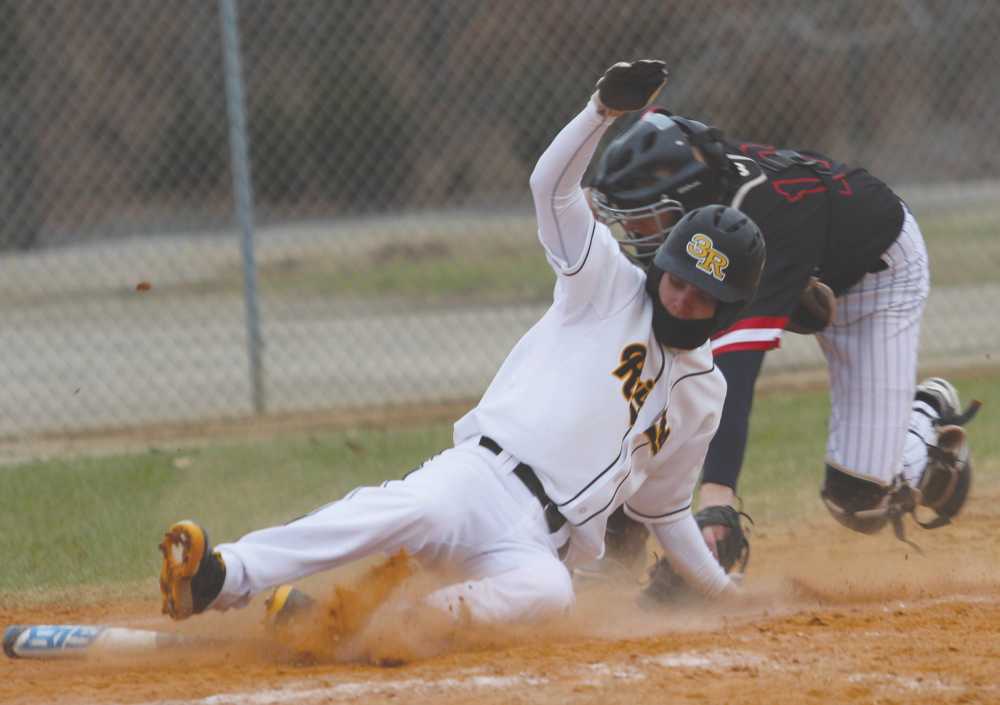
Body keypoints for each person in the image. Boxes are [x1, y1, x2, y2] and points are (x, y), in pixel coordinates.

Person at [157, 60, 768, 626]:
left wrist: (722, 594)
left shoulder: (703, 394)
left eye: (703, 294)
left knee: (551, 594)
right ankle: (223, 576)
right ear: (663, 264)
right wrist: (601, 112)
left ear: (725, 309)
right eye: (680, 280)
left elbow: (664, 512)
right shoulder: (606, 286)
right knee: (405, 510)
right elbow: (550, 190)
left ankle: (368, 630)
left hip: (539, 546)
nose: (683, 298)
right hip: (482, 480)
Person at [589, 102, 980, 585]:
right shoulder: (705, 192)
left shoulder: (759, 219)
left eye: (645, 222)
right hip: (806, 267)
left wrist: (716, 501)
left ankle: (921, 416)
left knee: (859, 502)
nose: (633, 234)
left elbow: (734, 373)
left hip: (877, 278)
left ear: (685, 203)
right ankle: (621, 528)